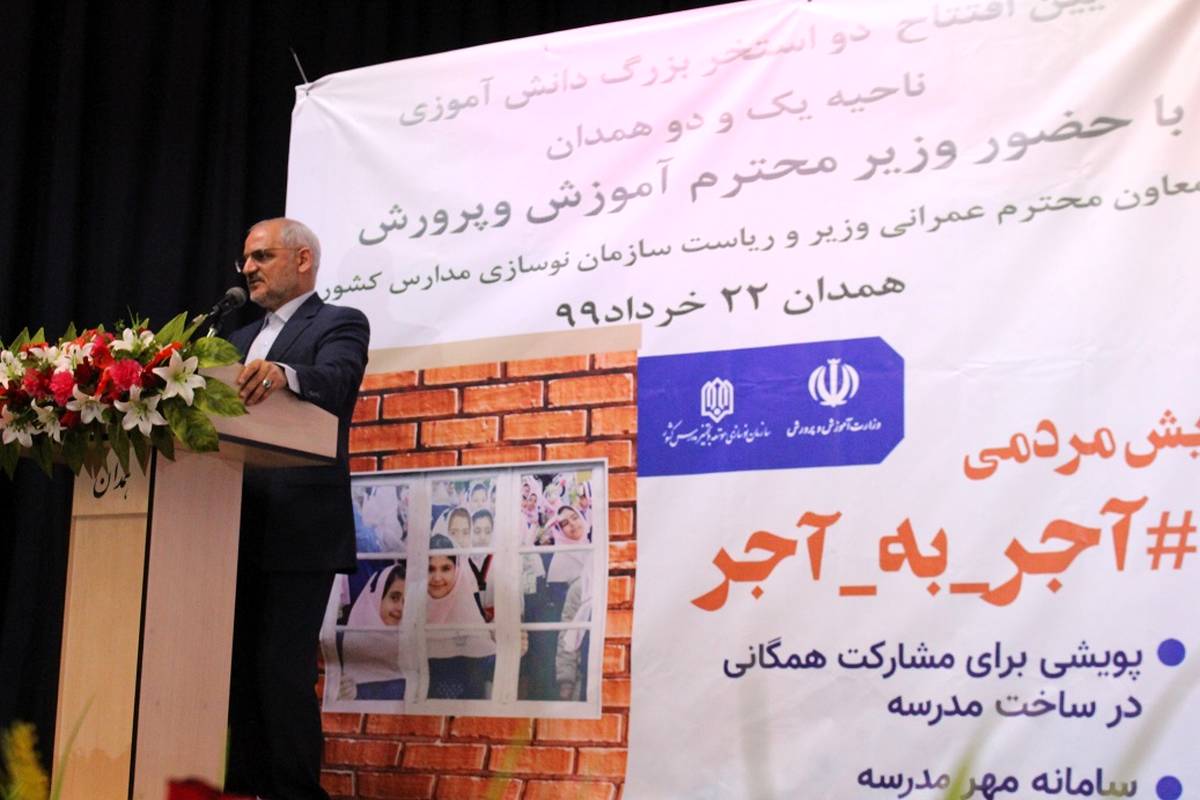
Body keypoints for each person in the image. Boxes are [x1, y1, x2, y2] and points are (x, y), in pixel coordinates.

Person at [223, 218, 370, 800]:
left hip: (300, 527)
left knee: (282, 674)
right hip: (229, 525)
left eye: (261, 256)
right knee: (235, 673)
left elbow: (337, 381)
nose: (249, 269)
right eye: (246, 259)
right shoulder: (234, 339)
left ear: (303, 259)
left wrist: (284, 374)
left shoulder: (339, 322)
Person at [425, 534, 495, 699]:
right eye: (430, 569)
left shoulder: (469, 614)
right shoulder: (410, 611)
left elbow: (487, 668)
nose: (437, 578)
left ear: (457, 570)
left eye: (445, 568)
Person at [339, 563, 407, 701]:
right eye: (394, 597)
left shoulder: (413, 645)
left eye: (407, 602)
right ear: (376, 597)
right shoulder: (341, 641)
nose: (400, 608)